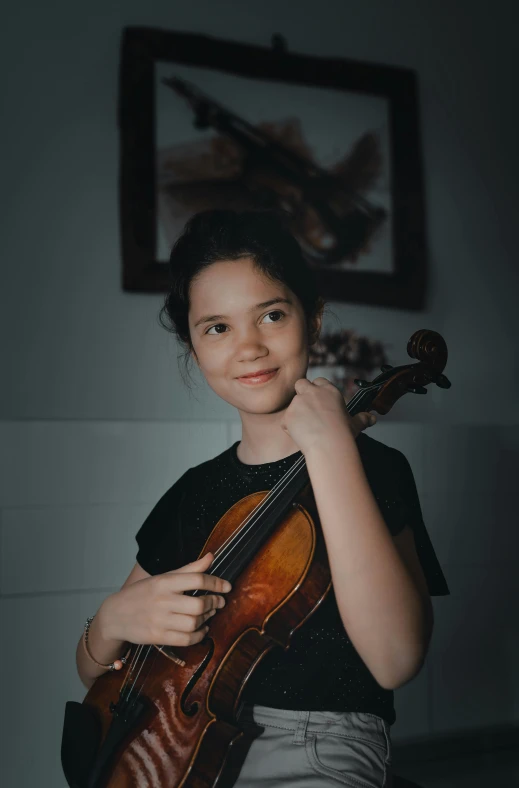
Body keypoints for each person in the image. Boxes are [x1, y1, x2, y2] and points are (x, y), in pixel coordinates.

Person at [75, 209, 449, 787]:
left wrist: (330, 453)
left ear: (313, 319)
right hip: (177, 742)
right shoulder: (194, 492)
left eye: (271, 315)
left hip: (320, 750)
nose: (248, 347)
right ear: (194, 348)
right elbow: (96, 677)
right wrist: (109, 620)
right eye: (217, 327)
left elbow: (396, 659)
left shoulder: (375, 469)